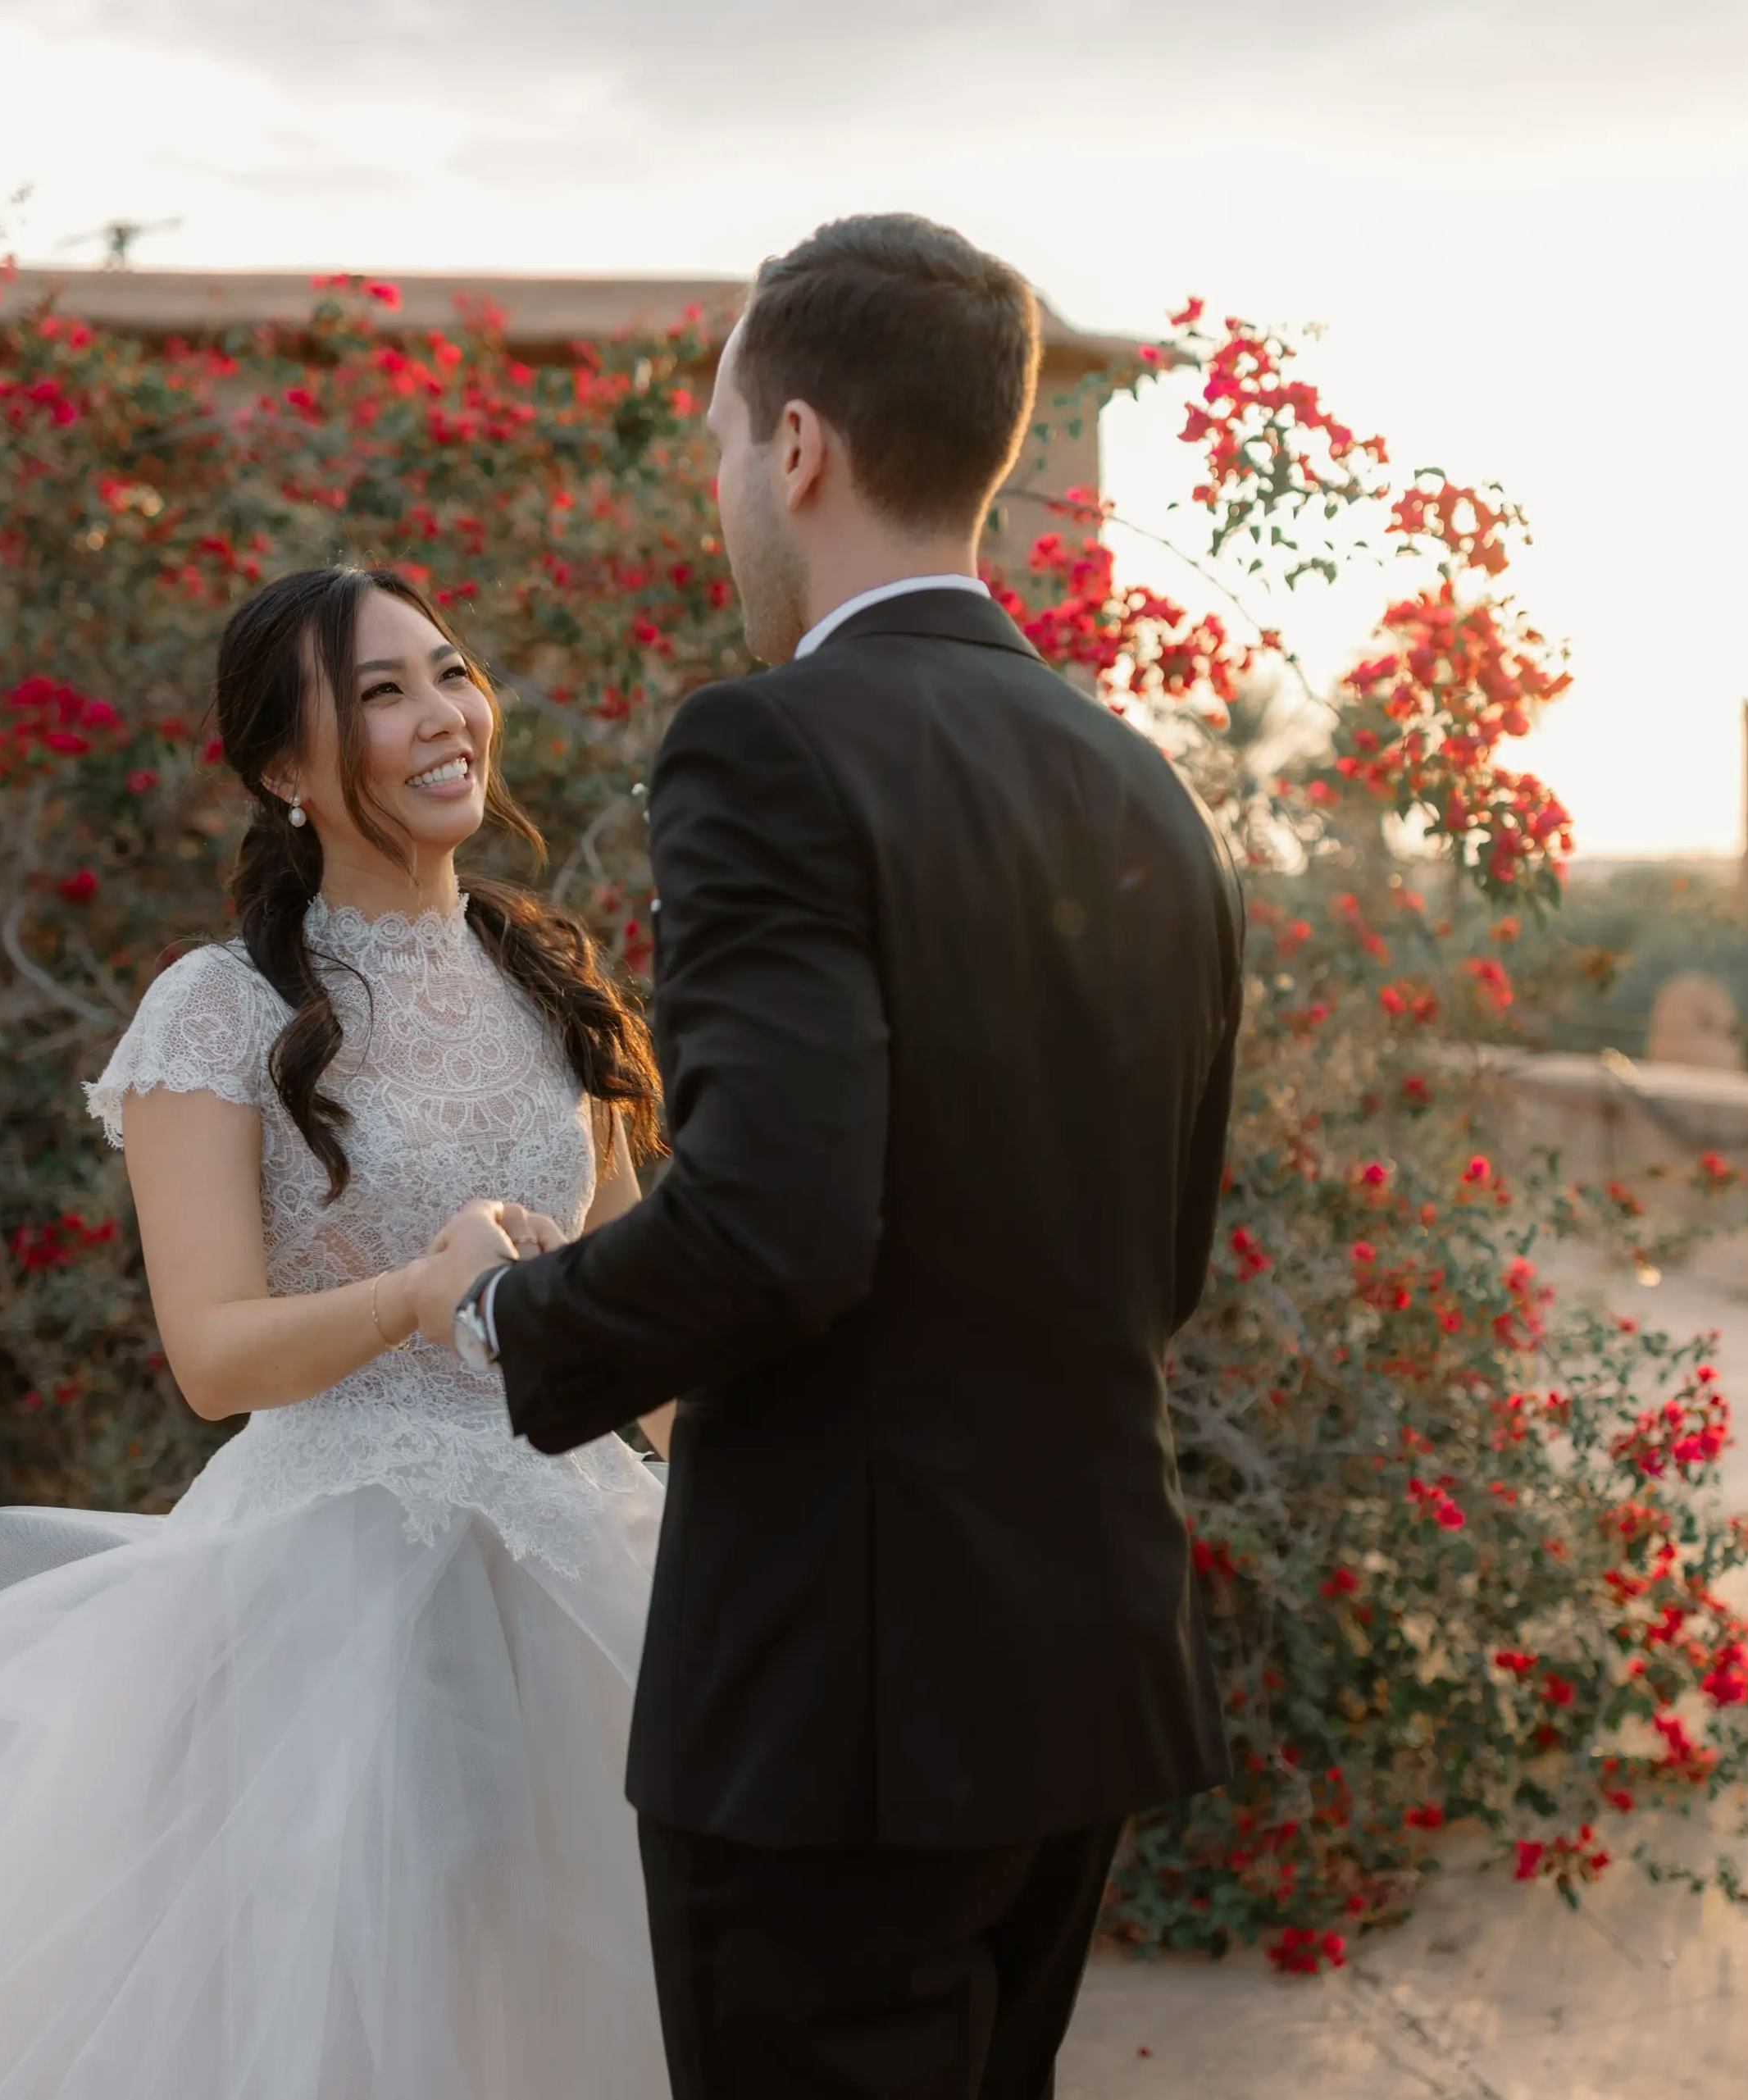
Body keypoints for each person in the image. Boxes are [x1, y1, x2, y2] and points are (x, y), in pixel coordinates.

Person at [0, 566, 678, 2099]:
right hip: (331, 1592)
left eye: (449, 670)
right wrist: (415, 1297)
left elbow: (650, 1316)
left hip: (578, 1567)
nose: (442, 716)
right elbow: (214, 1353)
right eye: (378, 693)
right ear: (284, 772)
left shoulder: (551, 980)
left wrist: (754, 1500)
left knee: (576, 1982)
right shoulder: (217, 1011)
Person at [413, 213, 1243, 2100]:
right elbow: (1162, 1245)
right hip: (1075, 1664)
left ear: (797, 448)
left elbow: (778, 1223)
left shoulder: (768, 751)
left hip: (839, 1709)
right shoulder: (1148, 787)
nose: (722, 498)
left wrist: (505, 1319)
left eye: (719, 452)